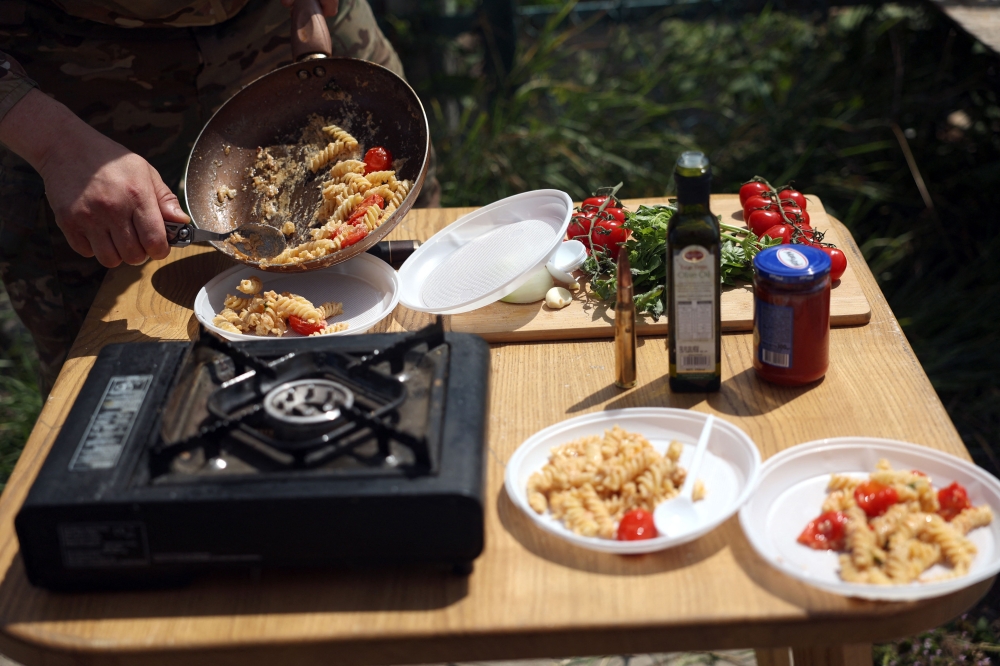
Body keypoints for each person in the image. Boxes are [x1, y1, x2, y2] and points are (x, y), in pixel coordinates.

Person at [0, 0, 438, 394]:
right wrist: (56, 144)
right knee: (109, 378)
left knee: (416, 299)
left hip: (274, 20)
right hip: (72, 68)